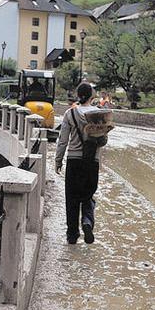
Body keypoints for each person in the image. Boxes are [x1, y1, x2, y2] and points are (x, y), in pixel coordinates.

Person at [55, 83, 107, 244]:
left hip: (73, 161)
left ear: (78, 95)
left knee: (72, 199)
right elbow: (103, 141)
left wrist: (58, 160)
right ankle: (87, 222)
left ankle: (72, 235)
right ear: (91, 95)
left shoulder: (70, 113)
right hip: (92, 161)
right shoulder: (99, 114)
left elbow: (63, 140)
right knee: (88, 196)